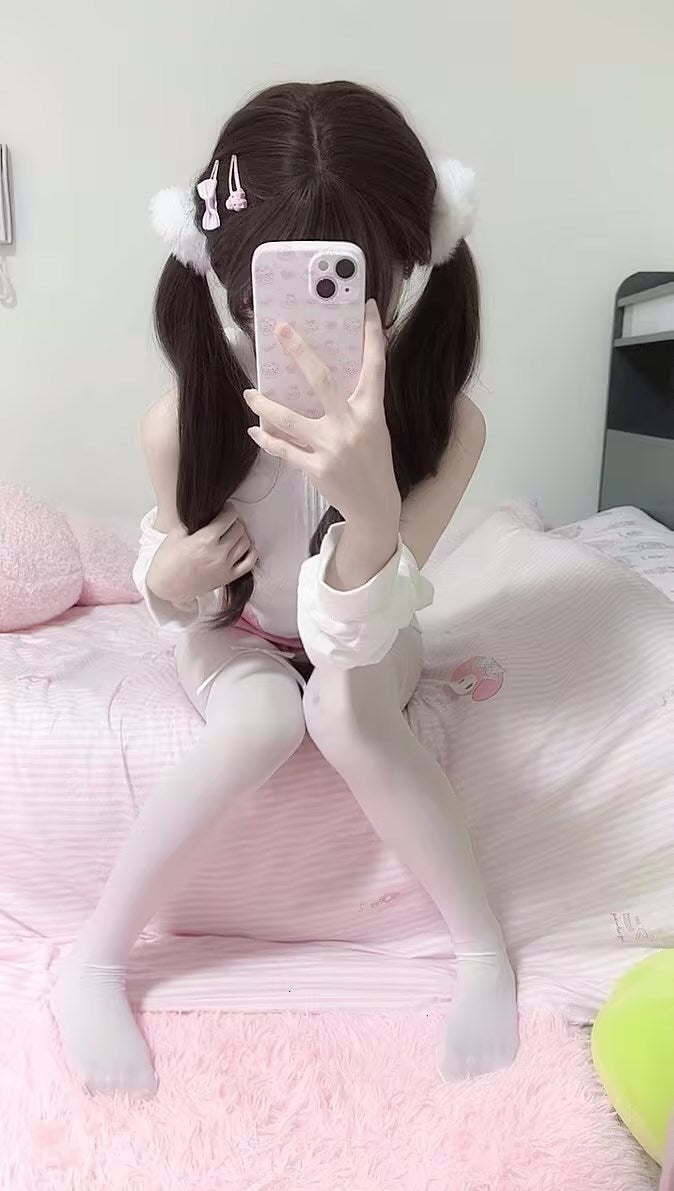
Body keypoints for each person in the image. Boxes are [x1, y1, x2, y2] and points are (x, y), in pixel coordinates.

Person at [52, 80, 518, 1095]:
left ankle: (481, 950)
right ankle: (93, 960)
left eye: (346, 289)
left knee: (344, 708)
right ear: (224, 278)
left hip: (365, 624)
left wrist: (371, 508)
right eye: (271, 294)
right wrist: (169, 577)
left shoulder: (447, 427)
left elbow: (367, 628)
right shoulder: (182, 424)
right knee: (262, 717)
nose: (306, 326)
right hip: (239, 632)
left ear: (404, 271)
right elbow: (180, 587)